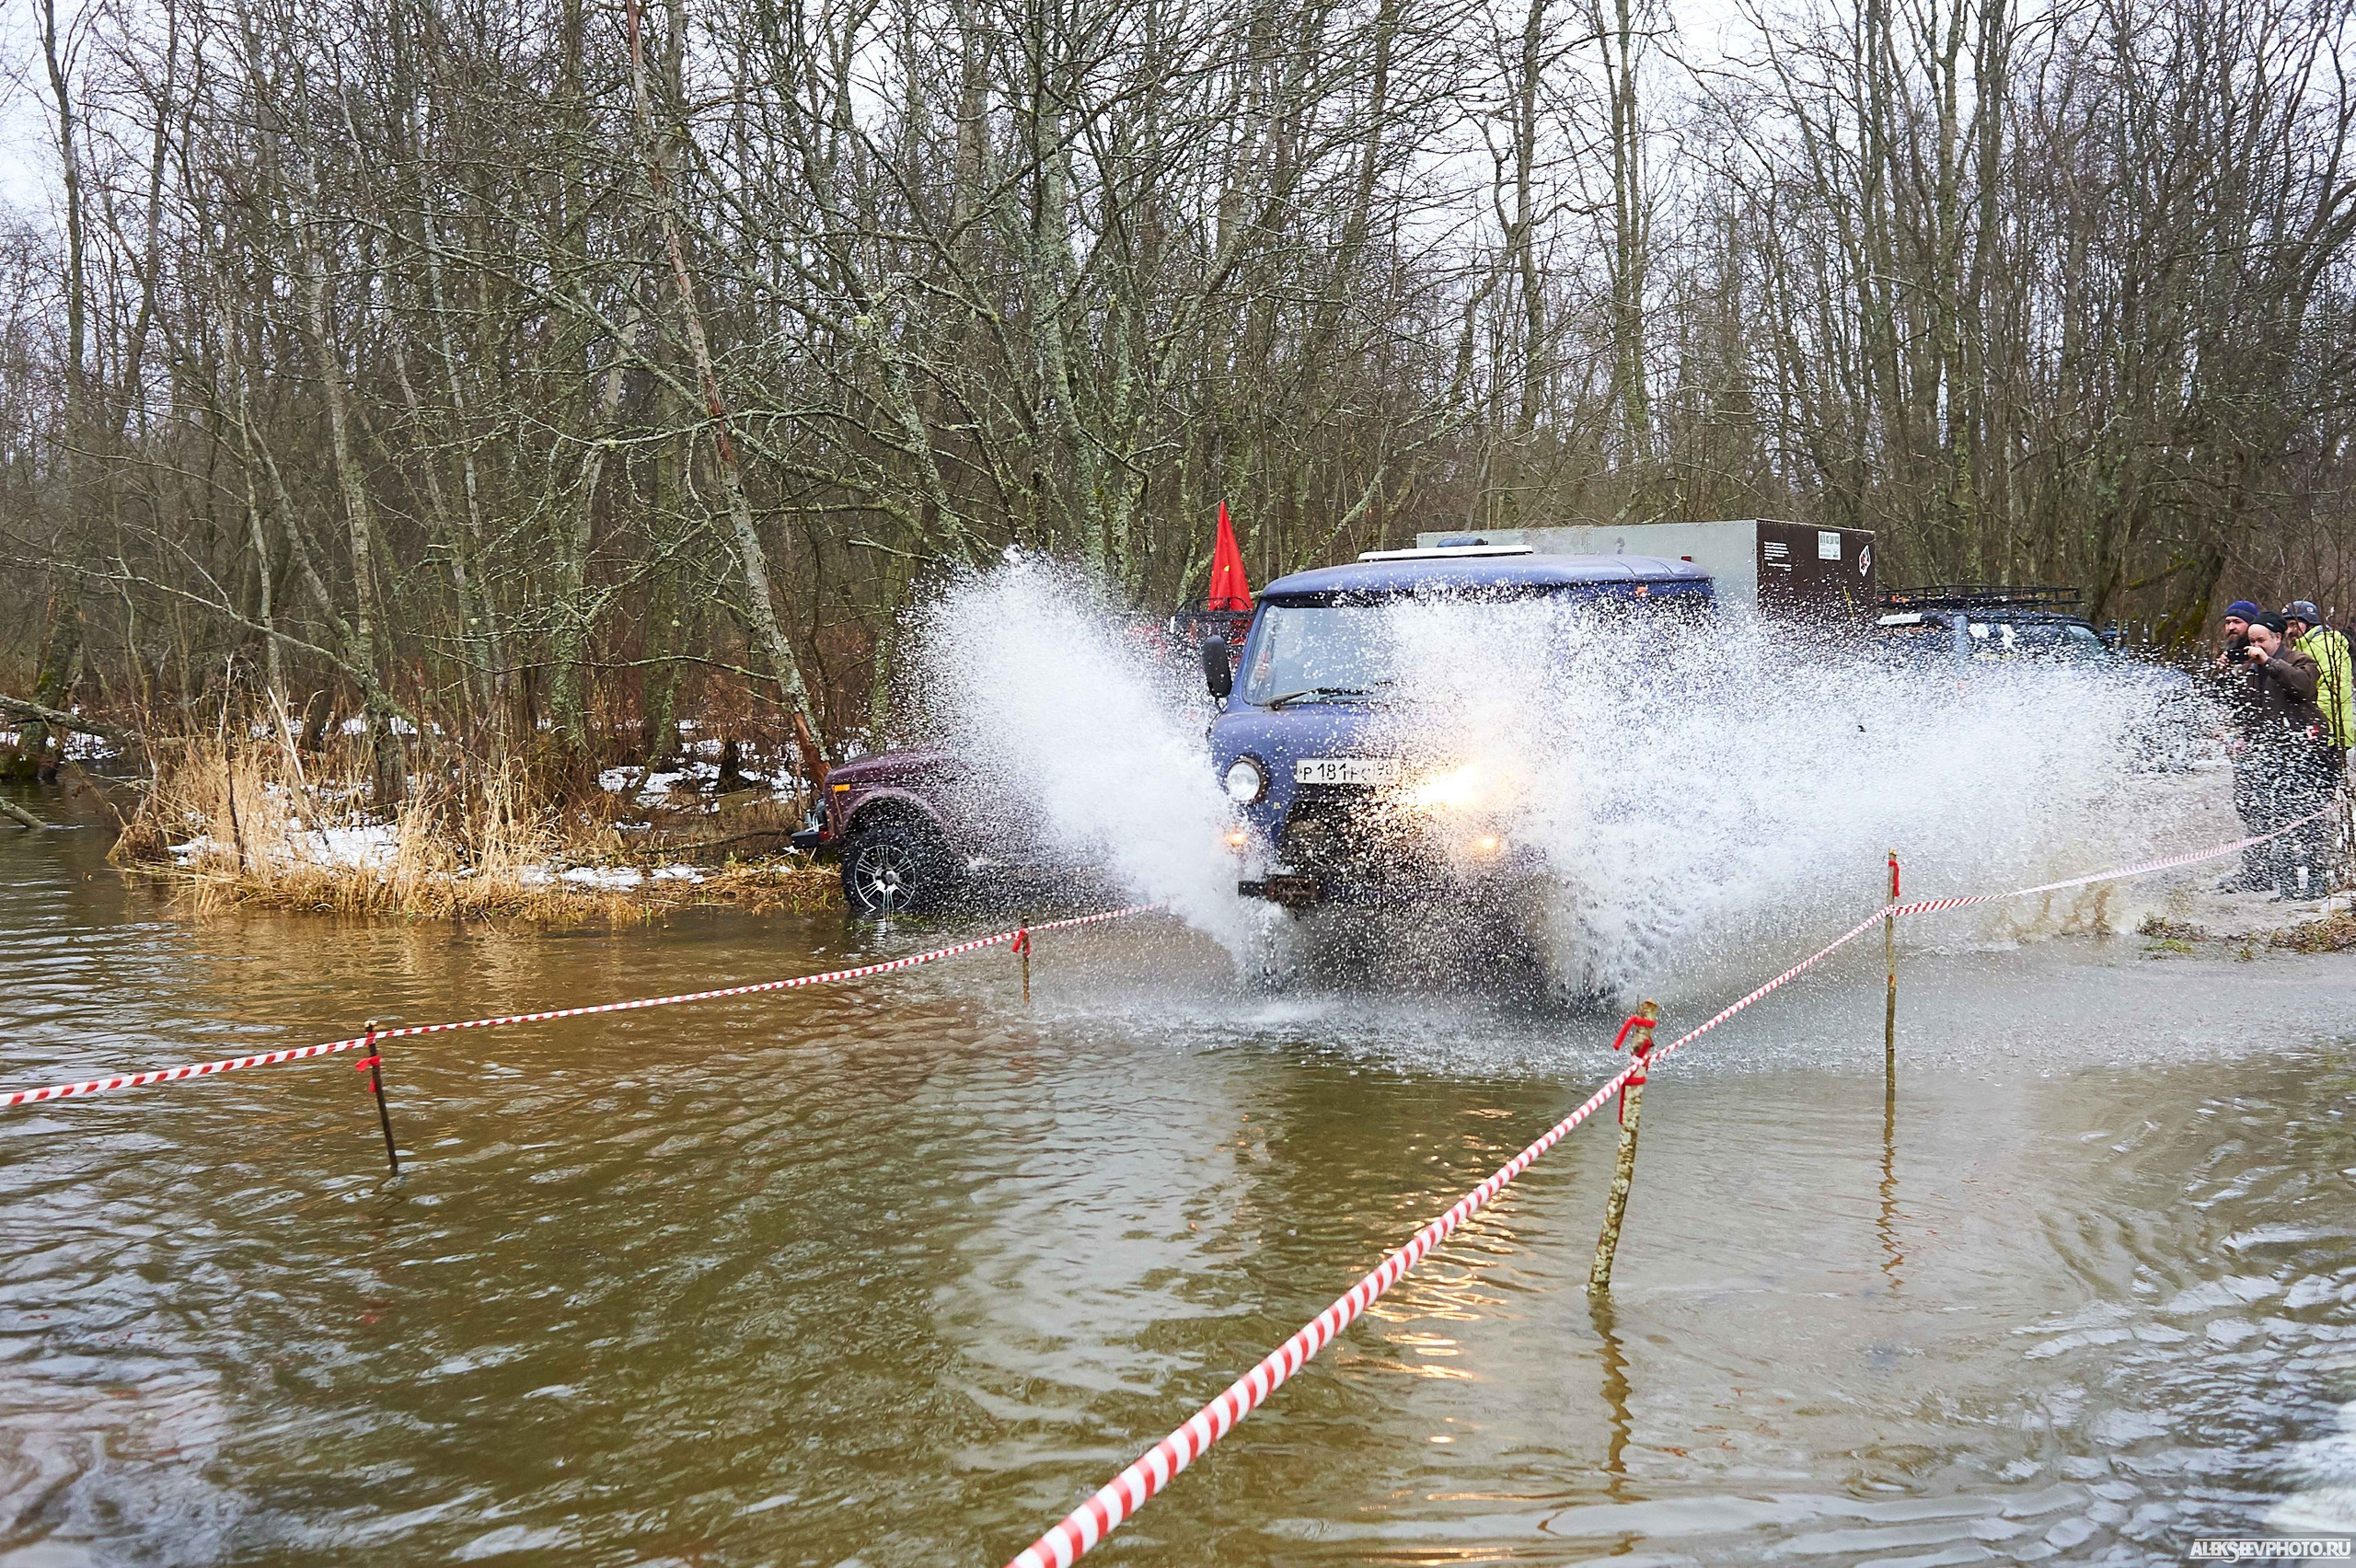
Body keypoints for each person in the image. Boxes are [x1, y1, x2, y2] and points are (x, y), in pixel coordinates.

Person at [2228, 615, 2336, 898]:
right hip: (2269, 753)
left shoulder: (2300, 660)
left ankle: (2316, 884)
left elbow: (2303, 686)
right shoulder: (2250, 670)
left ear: (2278, 637)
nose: (2255, 646)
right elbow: (2246, 710)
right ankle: (2286, 887)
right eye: (2252, 641)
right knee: (2272, 819)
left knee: (2308, 821)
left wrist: (2269, 663)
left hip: (2307, 752)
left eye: (2261, 640)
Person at [2282, 600, 2353, 759]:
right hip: (2316, 731)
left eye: (2294, 624)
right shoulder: (2301, 648)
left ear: (2310, 623)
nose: (2289, 631)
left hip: (2329, 734)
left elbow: (2332, 690)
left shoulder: (2325, 646)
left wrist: (2316, 726)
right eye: (2287, 625)